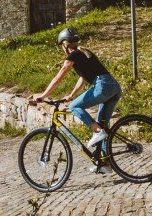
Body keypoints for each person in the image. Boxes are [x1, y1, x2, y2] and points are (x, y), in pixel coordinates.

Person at [32, 27, 122, 156]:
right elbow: (83, 78)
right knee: (102, 124)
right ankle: (104, 163)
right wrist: (72, 94)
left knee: (74, 106)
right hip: (114, 87)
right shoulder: (85, 53)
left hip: (103, 86)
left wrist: (43, 95)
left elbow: (58, 77)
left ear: (64, 43)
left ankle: (98, 132)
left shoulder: (74, 54)